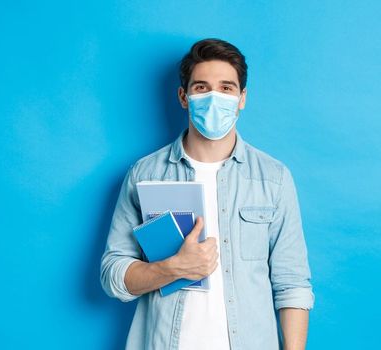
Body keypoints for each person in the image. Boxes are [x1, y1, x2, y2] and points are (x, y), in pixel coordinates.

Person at [100, 38, 314, 349]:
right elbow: (112, 275)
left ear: (242, 98)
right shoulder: (144, 175)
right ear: (183, 97)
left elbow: (292, 283)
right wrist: (172, 268)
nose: (214, 97)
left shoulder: (273, 178)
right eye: (202, 87)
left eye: (226, 88)